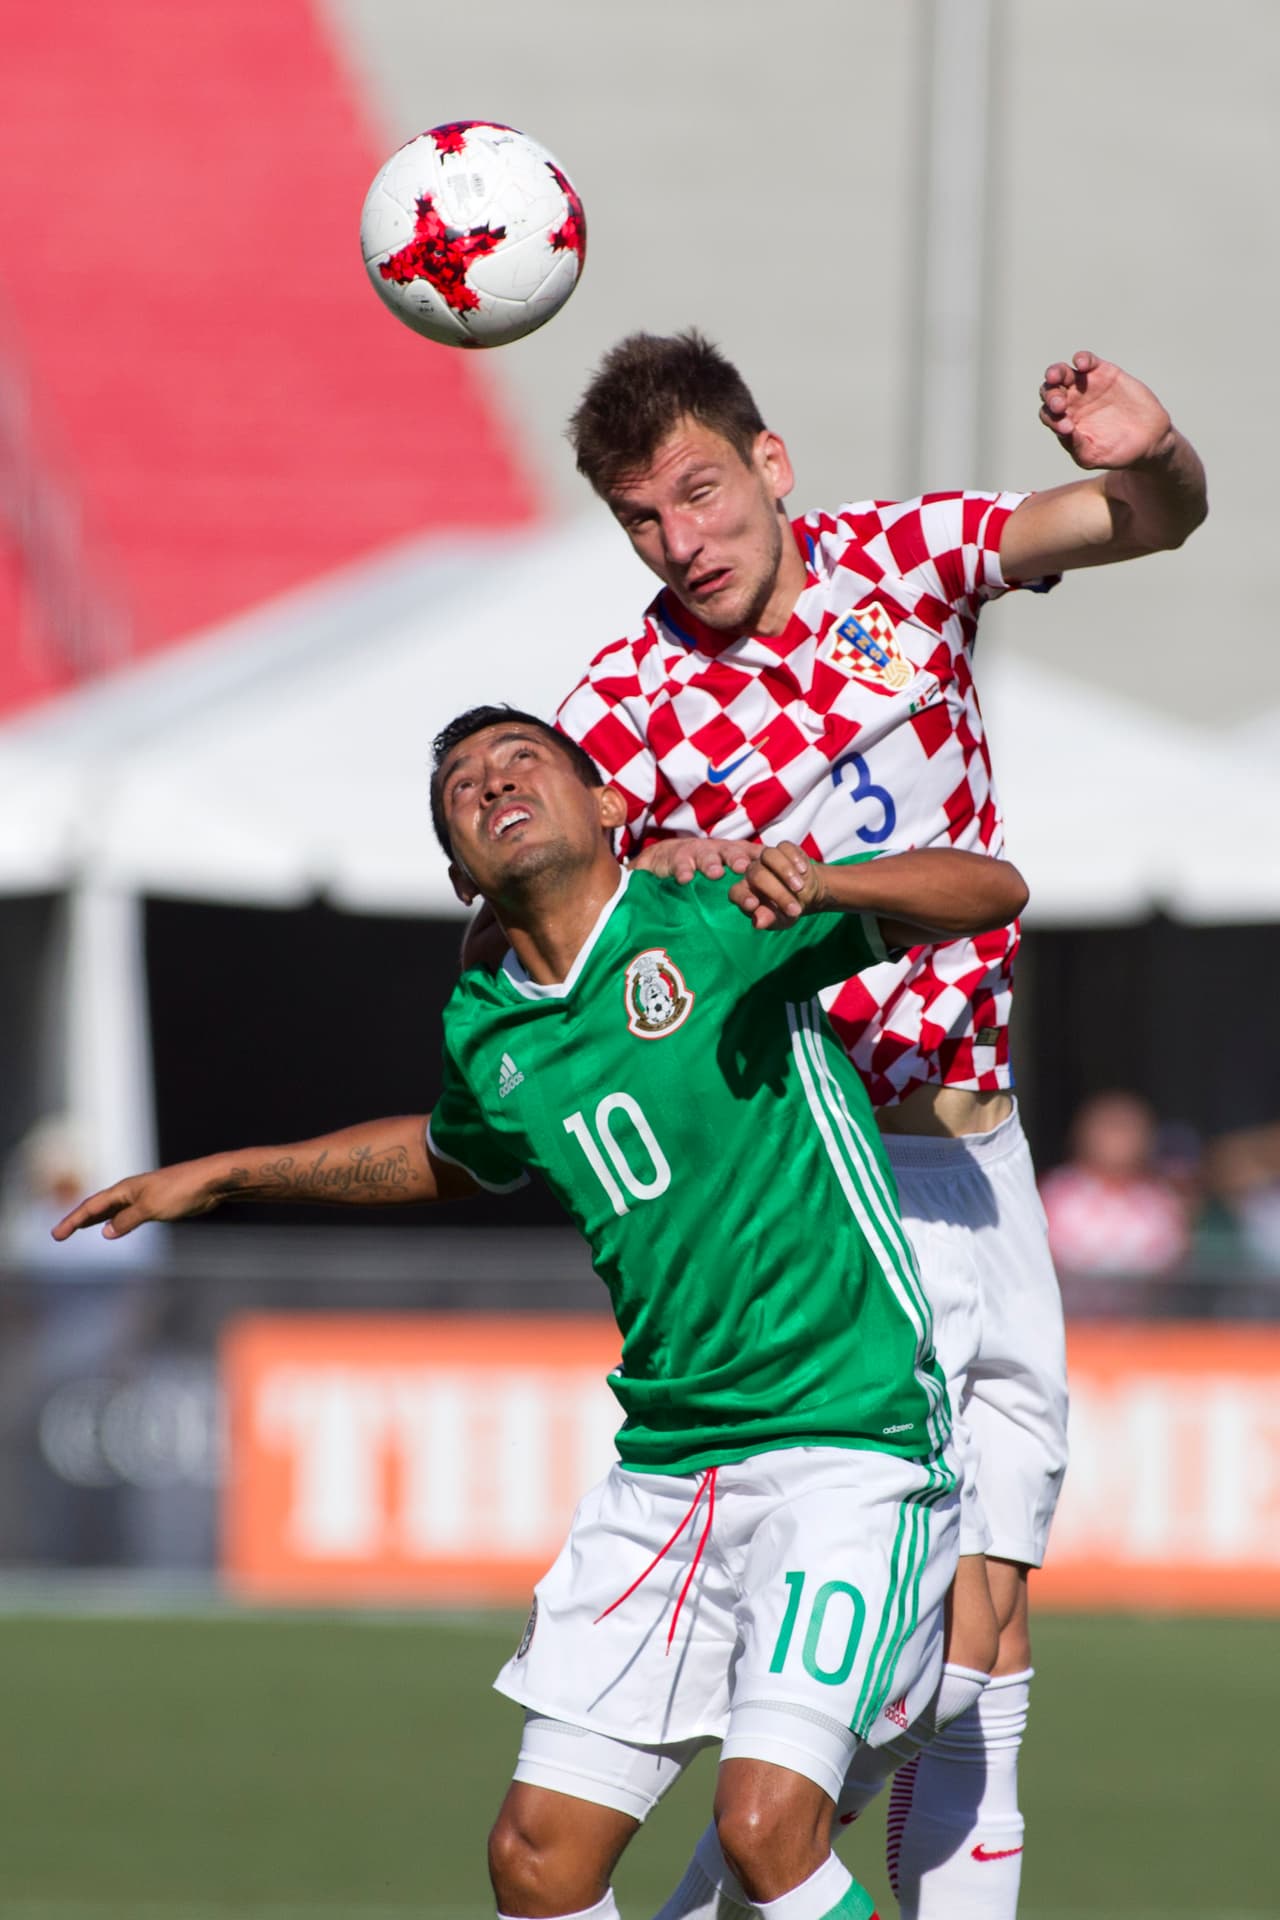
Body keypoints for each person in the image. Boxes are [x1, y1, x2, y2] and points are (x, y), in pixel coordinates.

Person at [55, 708, 1029, 1920]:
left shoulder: (717, 914)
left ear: (611, 809)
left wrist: (820, 875)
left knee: (765, 1828)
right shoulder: (492, 1027)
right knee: (533, 1862)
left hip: (845, 1438)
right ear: (460, 872)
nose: (492, 782)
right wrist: (229, 1171)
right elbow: (452, 1153)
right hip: (669, 1473)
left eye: (524, 762)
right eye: (463, 784)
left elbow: (992, 890)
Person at [550, 332, 1208, 1920]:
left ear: (772, 466)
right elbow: (534, 960)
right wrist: (661, 904)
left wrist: (1157, 447)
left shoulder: (905, 565)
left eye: (701, 493)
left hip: (991, 1164)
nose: (682, 542)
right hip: (839, 1195)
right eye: (644, 520)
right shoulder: (620, 718)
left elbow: (1153, 519)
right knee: (929, 1657)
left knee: (983, 1650)